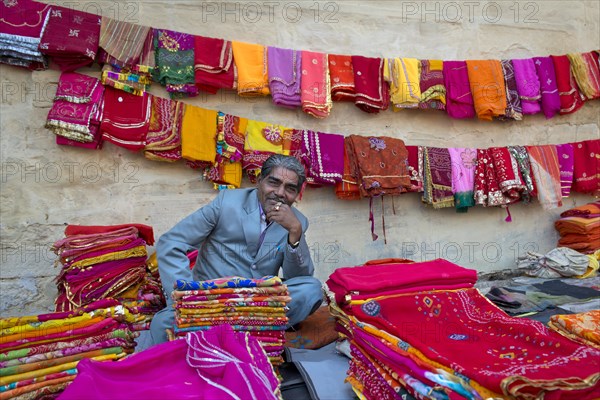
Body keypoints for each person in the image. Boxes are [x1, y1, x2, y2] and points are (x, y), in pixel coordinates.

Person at [150, 154, 323, 344]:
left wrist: (295, 234)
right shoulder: (226, 203)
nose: (280, 193)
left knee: (312, 289)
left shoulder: (297, 222)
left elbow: (300, 278)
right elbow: (171, 242)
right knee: (162, 324)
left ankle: (237, 327)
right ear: (259, 181)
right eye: (274, 182)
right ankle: (242, 330)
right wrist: (187, 298)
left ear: (297, 195)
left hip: (257, 304)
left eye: (290, 188)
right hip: (210, 301)